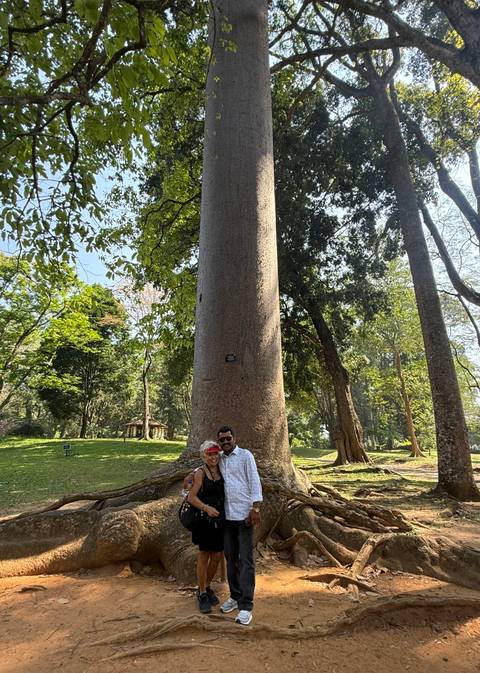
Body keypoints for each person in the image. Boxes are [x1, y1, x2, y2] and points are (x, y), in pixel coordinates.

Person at [217, 425, 262, 626]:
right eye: (222, 440)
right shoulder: (219, 458)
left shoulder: (245, 456)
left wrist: (256, 508)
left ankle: (246, 605)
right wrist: (191, 477)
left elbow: (254, 482)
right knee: (230, 557)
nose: (226, 442)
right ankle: (235, 596)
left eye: (228, 439)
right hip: (227, 518)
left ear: (234, 438)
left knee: (246, 561)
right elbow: (205, 466)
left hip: (244, 516)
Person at [187, 440, 225, 614]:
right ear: (204, 455)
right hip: (204, 520)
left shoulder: (222, 470)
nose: (213, 457)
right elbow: (191, 497)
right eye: (210, 454)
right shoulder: (200, 473)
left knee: (217, 556)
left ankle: (207, 586)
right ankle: (201, 592)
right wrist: (206, 508)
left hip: (220, 520)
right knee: (204, 555)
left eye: (215, 454)